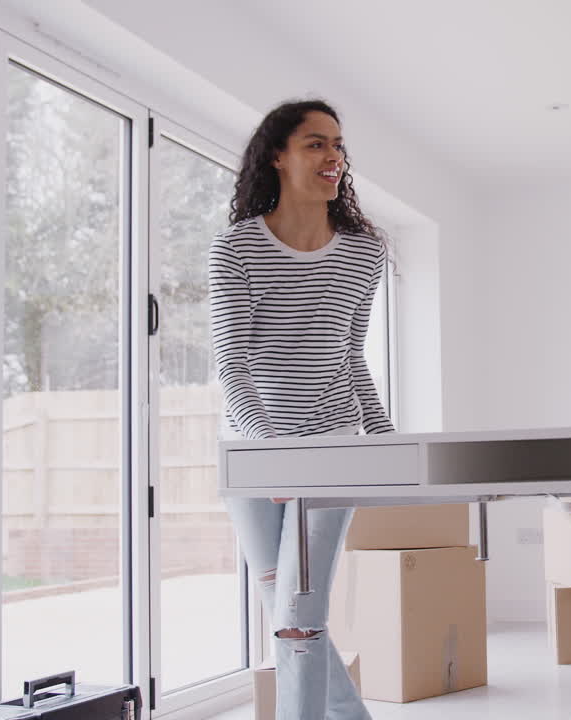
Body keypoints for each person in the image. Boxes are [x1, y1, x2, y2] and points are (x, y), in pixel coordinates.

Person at [210, 99, 392, 719]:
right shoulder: (235, 249)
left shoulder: (364, 252)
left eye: (337, 144)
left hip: (332, 447)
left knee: (298, 622)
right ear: (278, 156)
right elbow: (232, 366)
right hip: (253, 453)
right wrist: (272, 455)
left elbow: (352, 355)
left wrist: (387, 438)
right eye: (316, 143)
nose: (333, 155)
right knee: (287, 613)